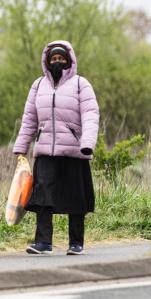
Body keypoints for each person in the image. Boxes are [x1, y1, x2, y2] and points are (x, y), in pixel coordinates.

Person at [13, 41, 100, 255]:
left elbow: (90, 115)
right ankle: (43, 243)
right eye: (54, 59)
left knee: (76, 197)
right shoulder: (38, 85)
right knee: (42, 196)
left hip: (74, 151)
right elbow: (29, 119)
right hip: (45, 151)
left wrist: (87, 143)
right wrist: (21, 146)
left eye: (62, 59)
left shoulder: (81, 84)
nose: (58, 62)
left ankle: (76, 243)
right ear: (47, 61)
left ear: (70, 61)